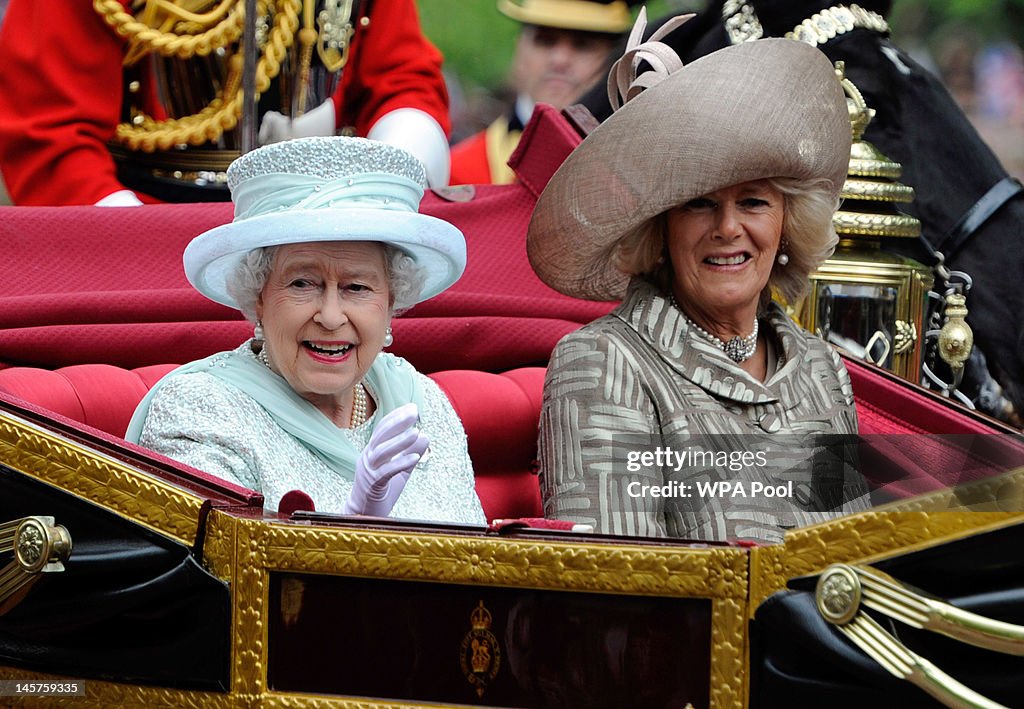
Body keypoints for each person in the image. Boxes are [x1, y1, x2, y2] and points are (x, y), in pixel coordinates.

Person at [527, 18, 870, 543]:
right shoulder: (603, 362)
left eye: (753, 202)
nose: (728, 228)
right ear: (660, 230)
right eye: (700, 204)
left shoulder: (822, 370)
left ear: (786, 227)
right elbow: (620, 586)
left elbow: (853, 559)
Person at [126, 136, 485, 524]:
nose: (331, 317)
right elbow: (220, 575)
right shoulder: (200, 409)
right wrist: (350, 528)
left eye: (357, 288)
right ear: (259, 296)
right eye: (302, 284)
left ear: (391, 303)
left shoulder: (422, 402)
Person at [0, 0, 451, 206]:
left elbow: (403, 81)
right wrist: (128, 241)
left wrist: (384, 197)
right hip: (148, 218)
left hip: (326, 222)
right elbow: (50, 130)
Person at [448, 0, 630, 186]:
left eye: (582, 45)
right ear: (519, 48)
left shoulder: (635, 167)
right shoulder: (456, 171)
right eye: (545, 40)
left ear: (614, 60)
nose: (560, 60)